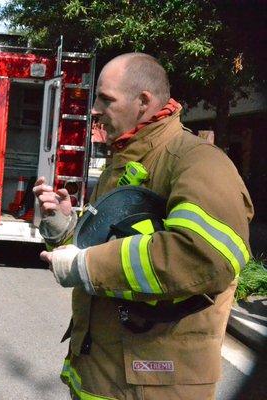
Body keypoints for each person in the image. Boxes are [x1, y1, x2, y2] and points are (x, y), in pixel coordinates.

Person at [34, 53, 253, 399]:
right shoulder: (123, 161)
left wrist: (85, 266)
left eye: (107, 99)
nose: (95, 110)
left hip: (154, 384)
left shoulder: (198, 162)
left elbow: (205, 255)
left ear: (143, 102)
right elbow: (106, 244)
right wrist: (62, 226)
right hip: (104, 374)